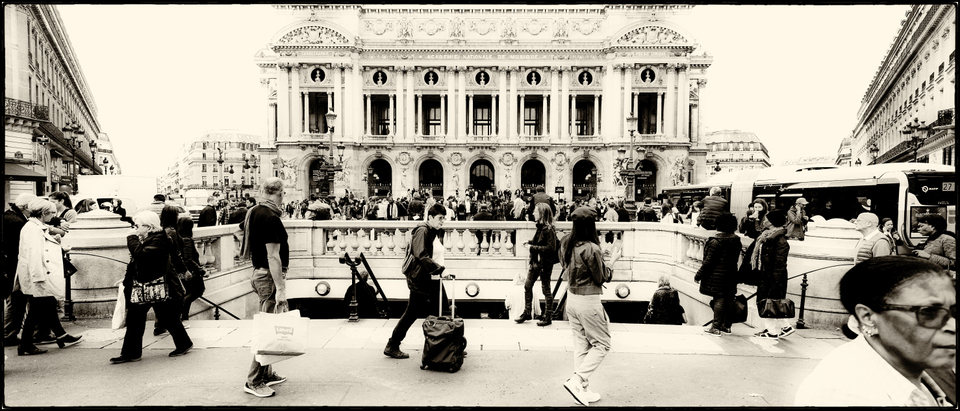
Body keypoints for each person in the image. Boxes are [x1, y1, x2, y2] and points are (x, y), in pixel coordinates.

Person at [794, 256, 955, 406]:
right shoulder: (843, 393)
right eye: (928, 312)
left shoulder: (921, 369)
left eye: (955, 311)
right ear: (868, 317)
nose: (952, 326)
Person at [111, 210, 191, 364]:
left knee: (166, 318)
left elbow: (141, 255)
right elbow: (138, 262)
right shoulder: (152, 238)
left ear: (148, 227)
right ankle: (132, 353)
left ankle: (183, 344)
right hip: (145, 285)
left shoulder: (159, 239)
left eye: (138, 226)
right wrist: (127, 279)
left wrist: (131, 238)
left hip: (154, 286)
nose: (135, 229)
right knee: (138, 320)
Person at [239, 177, 289, 397]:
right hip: (268, 277)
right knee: (266, 331)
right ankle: (254, 380)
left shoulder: (255, 211)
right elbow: (273, 256)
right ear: (279, 192)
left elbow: (239, 232)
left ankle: (266, 374)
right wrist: (281, 289)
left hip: (258, 272)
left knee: (267, 326)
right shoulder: (271, 218)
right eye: (283, 192)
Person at [559, 206, 615, 405]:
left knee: (581, 345)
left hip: (572, 298)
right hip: (588, 301)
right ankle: (576, 381)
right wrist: (612, 262)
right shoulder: (591, 248)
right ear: (591, 225)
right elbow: (601, 278)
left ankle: (583, 390)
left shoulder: (566, 241)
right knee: (602, 344)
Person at [14, 198, 83, 356]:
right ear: (43, 213)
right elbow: (34, 254)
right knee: (37, 309)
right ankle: (26, 344)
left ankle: (60, 335)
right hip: (39, 275)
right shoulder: (33, 228)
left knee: (45, 305)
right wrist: (38, 277)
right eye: (52, 213)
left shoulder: (36, 226)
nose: (54, 215)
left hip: (40, 274)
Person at [384, 203, 450, 360]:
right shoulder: (422, 230)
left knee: (443, 311)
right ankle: (392, 344)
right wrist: (440, 269)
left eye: (444, 218)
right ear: (431, 217)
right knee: (412, 313)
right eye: (440, 218)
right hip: (422, 280)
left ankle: (448, 344)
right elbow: (420, 254)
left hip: (432, 279)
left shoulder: (433, 231)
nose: (442, 221)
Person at [750, 209, 795, 339]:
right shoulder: (767, 236)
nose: (764, 220)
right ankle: (783, 327)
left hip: (773, 278)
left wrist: (774, 283)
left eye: (766, 219)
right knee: (771, 302)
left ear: (772, 222)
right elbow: (752, 232)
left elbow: (779, 264)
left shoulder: (780, 241)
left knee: (768, 302)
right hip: (767, 275)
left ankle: (773, 331)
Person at [695, 213, 741, 336]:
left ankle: (715, 327)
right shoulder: (736, 240)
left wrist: (698, 275)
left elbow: (708, 262)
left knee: (719, 300)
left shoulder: (715, 241)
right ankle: (726, 326)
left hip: (717, 275)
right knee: (729, 299)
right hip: (731, 274)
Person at [518, 203, 559, 326]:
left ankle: (548, 316)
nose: (533, 213)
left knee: (546, 289)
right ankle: (527, 312)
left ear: (541, 213)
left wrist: (531, 248)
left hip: (544, 264)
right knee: (527, 286)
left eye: (535, 211)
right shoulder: (541, 227)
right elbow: (540, 242)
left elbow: (550, 248)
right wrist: (529, 242)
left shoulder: (548, 229)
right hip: (536, 262)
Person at [3, 193, 36, 346]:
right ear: (25, 207)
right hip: (13, 267)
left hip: (9, 266)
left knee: (15, 300)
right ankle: (9, 334)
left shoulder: (10, 216)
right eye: (32, 207)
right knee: (16, 301)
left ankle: (10, 333)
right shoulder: (16, 222)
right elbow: (18, 248)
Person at [176, 217, 206, 322]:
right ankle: (180, 314)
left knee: (188, 293)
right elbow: (188, 259)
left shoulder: (178, 237)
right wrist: (200, 270)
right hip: (191, 272)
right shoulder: (187, 240)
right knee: (198, 291)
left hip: (183, 272)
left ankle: (184, 317)